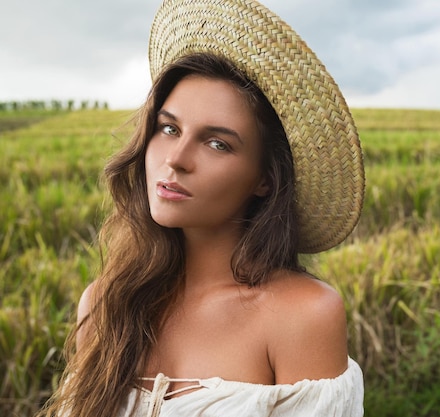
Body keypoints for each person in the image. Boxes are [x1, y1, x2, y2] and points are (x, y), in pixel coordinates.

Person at [39, 0, 365, 416]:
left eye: (217, 143)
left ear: (265, 178)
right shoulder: (106, 304)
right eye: (169, 128)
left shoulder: (302, 315)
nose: (175, 159)